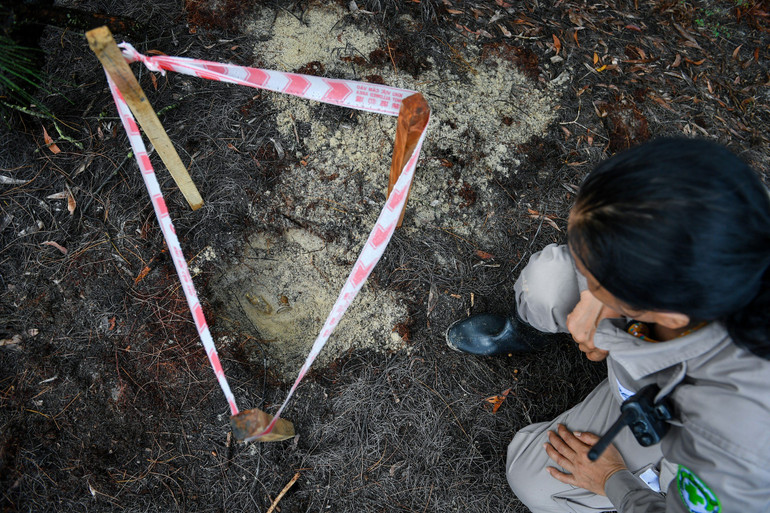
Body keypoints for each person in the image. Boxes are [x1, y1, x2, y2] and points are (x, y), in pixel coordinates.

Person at [445, 137, 770, 513]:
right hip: (658, 350)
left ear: (667, 316)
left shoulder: (735, 447)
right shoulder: (730, 213)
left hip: (678, 435)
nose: (584, 280)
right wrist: (600, 299)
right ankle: (528, 331)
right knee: (548, 282)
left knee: (534, 481)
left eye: (594, 276)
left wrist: (614, 480)